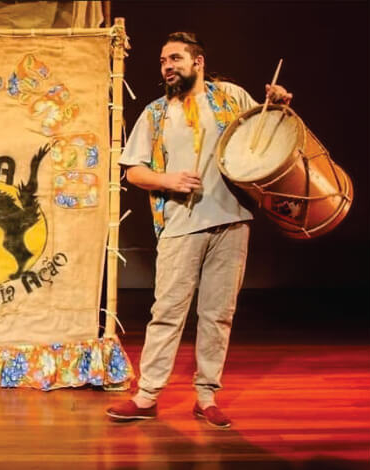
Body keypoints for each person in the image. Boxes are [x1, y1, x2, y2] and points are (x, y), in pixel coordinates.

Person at [106, 32, 292, 428]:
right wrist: (168, 180)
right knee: (167, 313)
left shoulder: (231, 96)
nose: (167, 67)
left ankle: (206, 396)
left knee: (217, 314)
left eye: (174, 58)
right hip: (180, 226)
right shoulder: (156, 114)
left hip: (233, 220)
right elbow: (134, 171)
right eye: (162, 61)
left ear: (198, 62)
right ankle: (147, 395)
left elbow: (267, 135)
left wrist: (276, 105)